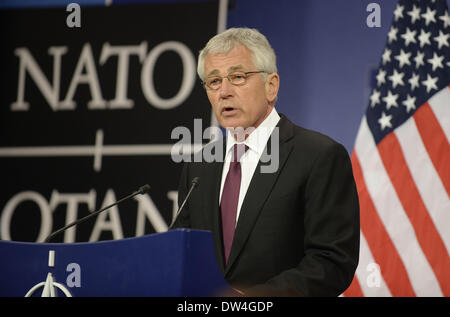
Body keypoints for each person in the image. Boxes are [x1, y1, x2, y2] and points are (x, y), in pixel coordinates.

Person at [172, 27, 360, 297]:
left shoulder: (319, 156)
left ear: (271, 86)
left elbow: (331, 262)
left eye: (237, 77)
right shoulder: (199, 165)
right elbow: (184, 255)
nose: (224, 91)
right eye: (213, 81)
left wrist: (250, 300)